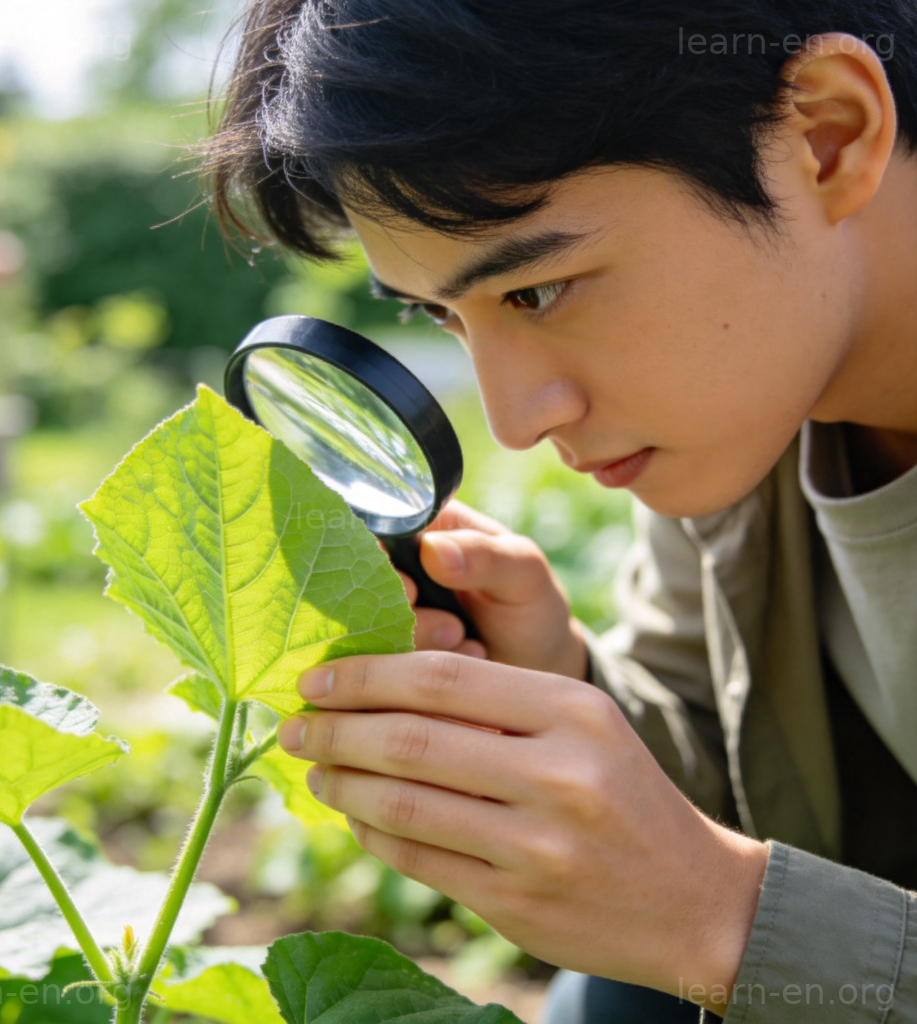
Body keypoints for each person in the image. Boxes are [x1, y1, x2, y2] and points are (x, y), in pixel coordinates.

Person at [204, 2, 917, 1020]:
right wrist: (563, 686)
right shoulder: (751, 402)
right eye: (441, 314)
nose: (515, 422)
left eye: (536, 292)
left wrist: (721, 915)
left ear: (826, 135)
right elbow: (737, 771)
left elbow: (738, 896)